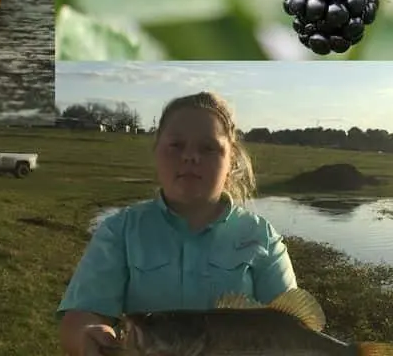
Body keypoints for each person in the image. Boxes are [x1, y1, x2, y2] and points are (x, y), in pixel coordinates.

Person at [57, 92, 298, 356]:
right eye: (176, 145)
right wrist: (88, 336)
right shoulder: (119, 231)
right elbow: (80, 317)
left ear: (231, 161)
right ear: (156, 152)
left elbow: (294, 325)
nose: (190, 157)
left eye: (208, 148)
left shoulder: (262, 237)